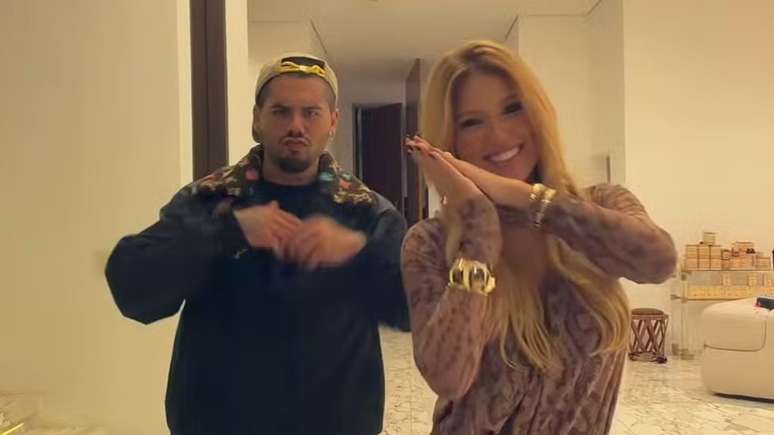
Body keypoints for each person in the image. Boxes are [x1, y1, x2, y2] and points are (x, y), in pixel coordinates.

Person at [105, 53, 409, 435]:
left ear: (333, 121)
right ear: (257, 119)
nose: (296, 126)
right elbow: (133, 288)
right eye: (281, 111)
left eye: (311, 113)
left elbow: (409, 310)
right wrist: (226, 232)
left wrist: (358, 253)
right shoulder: (210, 199)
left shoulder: (366, 212)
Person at [401, 40, 676, 434]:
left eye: (513, 108)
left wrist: (530, 200)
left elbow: (658, 262)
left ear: (538, 111)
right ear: (450, 142)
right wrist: (478, 233)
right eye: (471, 122)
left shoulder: (598, 206)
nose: (499, 136)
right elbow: (448, 377)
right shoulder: (430, 242)